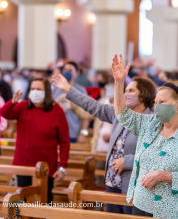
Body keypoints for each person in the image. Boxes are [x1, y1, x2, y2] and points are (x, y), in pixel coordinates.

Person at [52, 69, 156, 215]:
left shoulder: (152, 121)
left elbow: (154, 154)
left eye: (131, 91)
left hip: (134, 185)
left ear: (143, 95)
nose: (125, 94)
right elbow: (93, 106)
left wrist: (126, 161)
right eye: (125, 90)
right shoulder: (120, 114)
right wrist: (69, 89)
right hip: (112, 181)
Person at [113, 54, 178, 218]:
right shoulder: (150, 123)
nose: (157, 107)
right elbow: (122, 114)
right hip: (141, 204)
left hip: (170, 211)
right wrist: (119, 82)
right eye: (156, 102)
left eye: (163, 102)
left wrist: (165, 176)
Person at [0, 78, 70, 204]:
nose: (35, 92)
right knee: (23, 202)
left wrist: (62, 167)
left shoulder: (56, 111)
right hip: (23, 165)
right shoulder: (23, 106)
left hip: (45, 169)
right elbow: (4, 113)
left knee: (44, 202)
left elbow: (64, 142)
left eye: (39, 89)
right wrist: (12, 102)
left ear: (46, 92)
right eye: (32, 89)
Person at [52, 61, 89, 143]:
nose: (66, 72)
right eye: (65, 69)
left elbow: (86, 114)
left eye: (70, 70)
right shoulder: (55, 88)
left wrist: (83, 133)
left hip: (73, 133)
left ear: (76, 74)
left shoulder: (80, 90)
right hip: (55, 132)